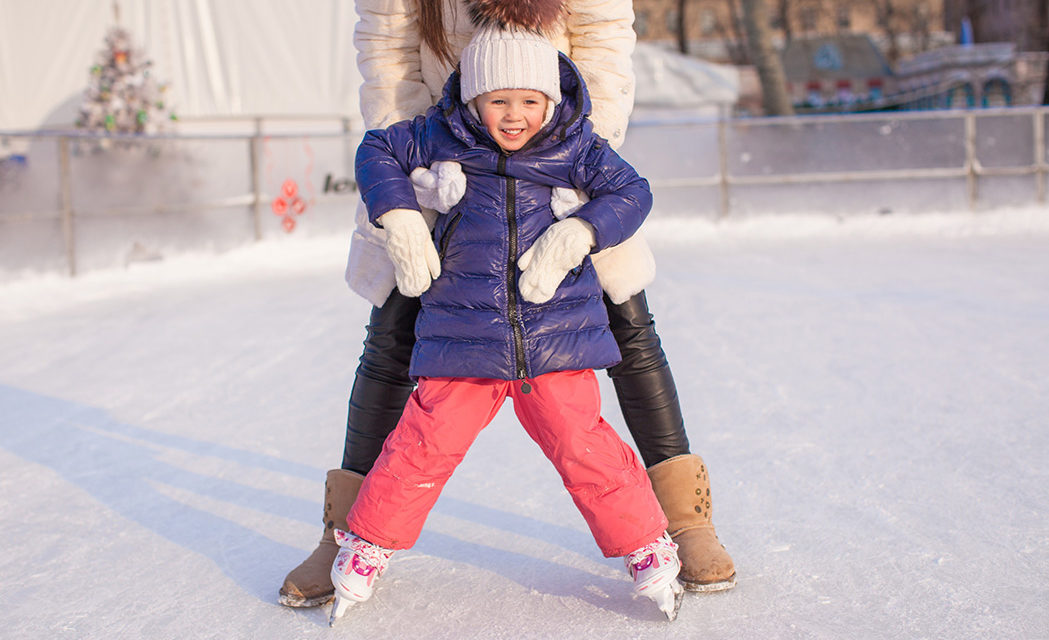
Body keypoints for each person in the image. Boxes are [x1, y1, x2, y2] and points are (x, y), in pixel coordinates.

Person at [278, 0, 734, 608]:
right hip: (443, 160)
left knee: (628, 329)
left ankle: (684, 519)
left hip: (562, 162)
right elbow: (386, 48)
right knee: (392, 338)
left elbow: (602, 39)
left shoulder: (569, 144)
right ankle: (346, 533)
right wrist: (429, 174)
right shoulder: (432, 143)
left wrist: (566, 155)